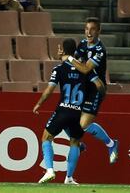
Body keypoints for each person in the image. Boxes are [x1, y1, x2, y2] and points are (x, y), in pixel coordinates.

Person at [34, 38, 105, 184]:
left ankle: (49, 170)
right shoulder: (85, 70)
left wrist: (39, 104)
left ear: (63, 51)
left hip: (63, 110)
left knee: (46, 138)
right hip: (78, 113)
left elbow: (49, 90)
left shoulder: (59, 69)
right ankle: (69, 178)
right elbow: (99, 85)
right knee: (75, 143)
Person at [62, 17, 119, 164]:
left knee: (83, 125)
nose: (89, 32)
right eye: (87, 29)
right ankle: (78, 144)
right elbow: (76, 64)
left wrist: (67, 58)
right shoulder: (82, 44)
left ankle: (111, 144)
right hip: (82, 88)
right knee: (65, 120)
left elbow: (86, 68)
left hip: (95, 89)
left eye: (92, 29)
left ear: (99, 31)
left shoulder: (100, 51)